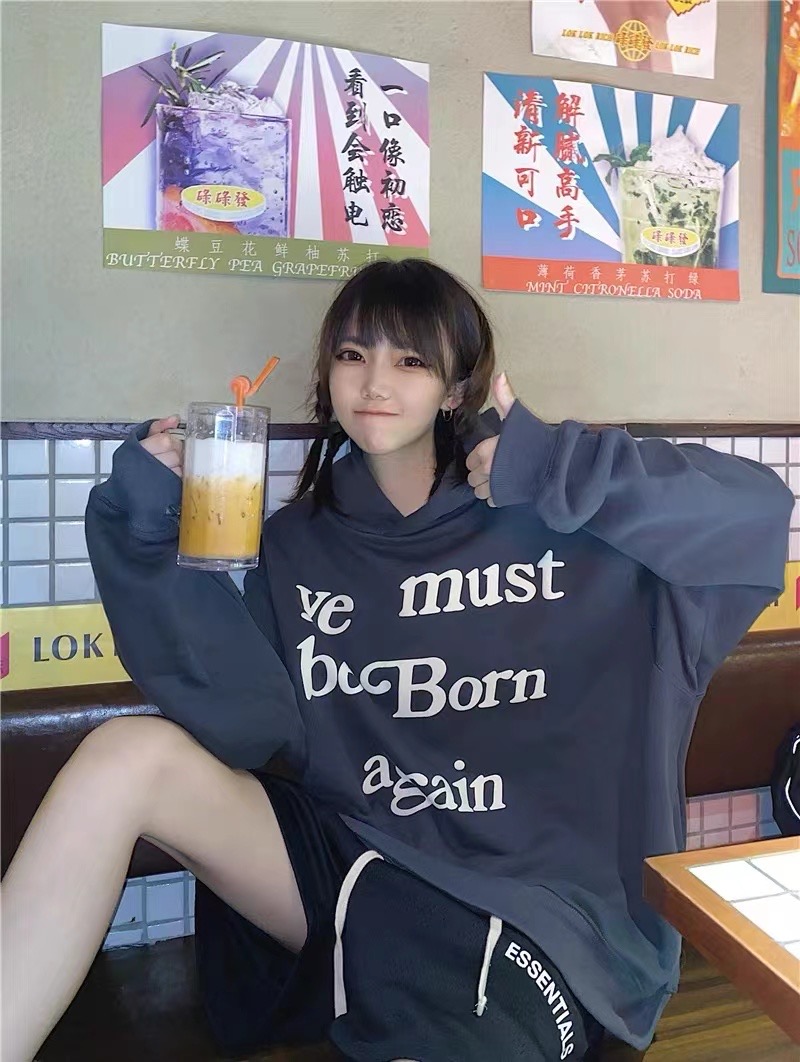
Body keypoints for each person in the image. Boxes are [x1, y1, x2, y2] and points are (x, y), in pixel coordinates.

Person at [1, 260, 792, 1062]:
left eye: (410, 360)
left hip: (536, 908)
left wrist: (559, 467)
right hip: (356, 874)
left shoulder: (561, 517)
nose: (375, 382)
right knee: (125, 754)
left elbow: (760, 512)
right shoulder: (297, 544)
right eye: (352, 355)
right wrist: (146, 531)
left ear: (456, 389)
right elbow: (246, 727)